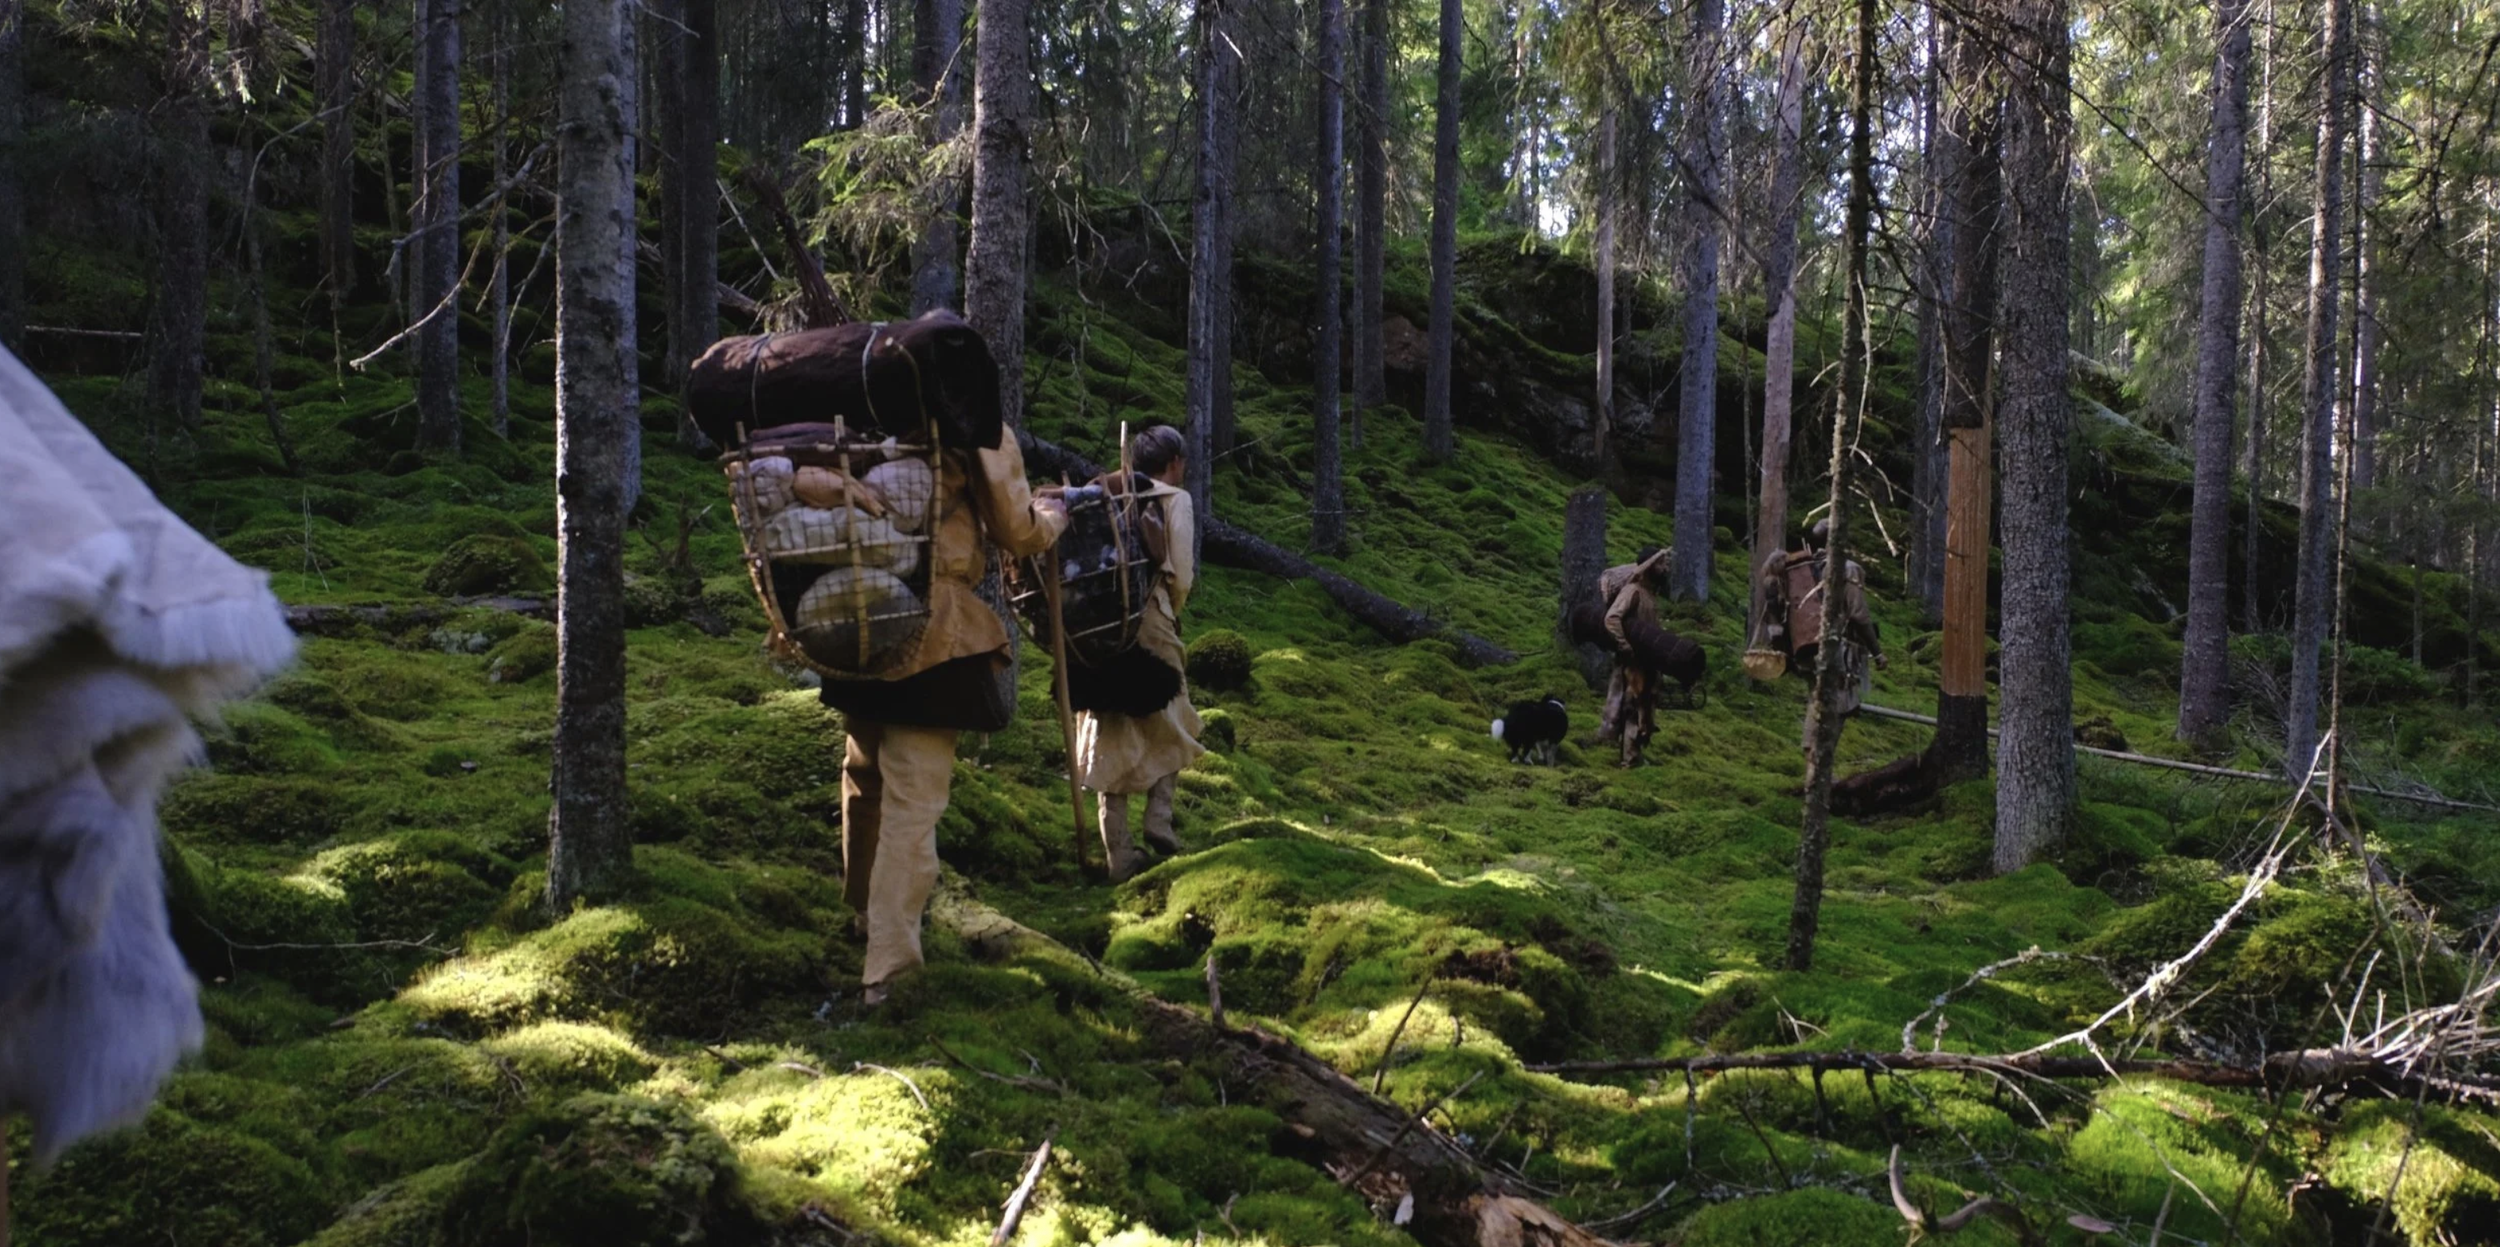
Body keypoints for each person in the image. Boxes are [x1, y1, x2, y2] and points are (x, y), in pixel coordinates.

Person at [833, 430, 1067, 1007]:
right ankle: (888, 968)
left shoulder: (870, 406)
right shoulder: (971, 413)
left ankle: (864, 914)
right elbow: (1016, 528)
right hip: (929, 621)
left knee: (864, 775)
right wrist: (1052, 519)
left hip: (853, 605)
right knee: (913, 799)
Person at [1073, 425, 1204, 880]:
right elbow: (1181, 572)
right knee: (1176, 716)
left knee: (1109, 727)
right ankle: (1159, 819)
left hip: (1095, 627)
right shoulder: (1174, 499)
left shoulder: (1104, 493)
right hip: (1150, 618)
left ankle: (1118, 852)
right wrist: (1170, 608)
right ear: (1173, 462)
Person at [1759, 518, 1886, 753]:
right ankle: (1817, 761)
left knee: (1821, 700)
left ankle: (1816, 761)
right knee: (1834, 704)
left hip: (1804, 648)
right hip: (1838, 651)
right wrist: (1877, 653)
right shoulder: (1846, 569)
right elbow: (1859, 616)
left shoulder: (1801, 568)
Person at [1597, 544, 1672, 768]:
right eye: (1660, 564)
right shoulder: (1633, 591)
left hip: (1645, 663)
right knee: (1632, 707)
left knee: (1643, 708)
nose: (1665, 568)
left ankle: (1633, 753)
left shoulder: (1649, 594)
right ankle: (1629, 759)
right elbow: (1612, 618)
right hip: (1632, 665)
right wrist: (1625, 645)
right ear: (1649, 567)